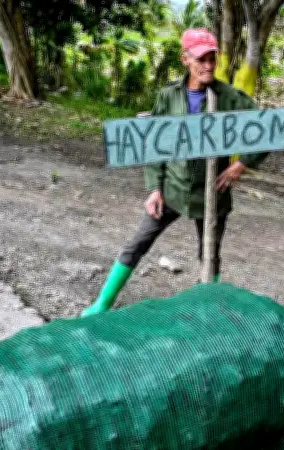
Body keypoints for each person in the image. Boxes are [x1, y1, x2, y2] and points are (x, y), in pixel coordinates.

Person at [81, 28, 268, 317]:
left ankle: (204, 312)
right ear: (185, 59)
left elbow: (268, 129)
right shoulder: (168, 97)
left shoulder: (229, 97)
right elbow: (156, 146)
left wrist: (241, 165)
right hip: (172, 188)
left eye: (212, 59)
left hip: (212, 191)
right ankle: (101, 304)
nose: (207, 66)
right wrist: (155, 188)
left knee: (210, 255)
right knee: (138, 242)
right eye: (201, 59)